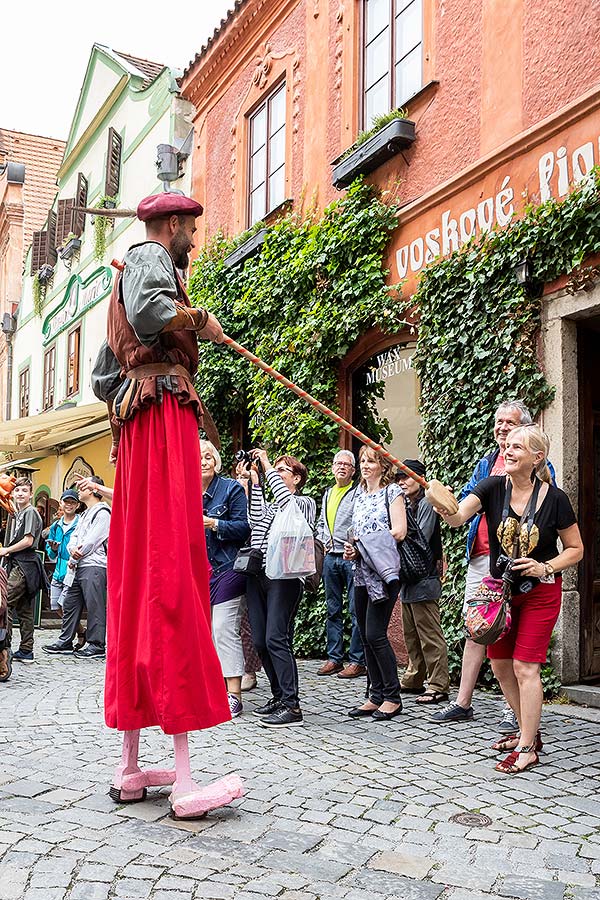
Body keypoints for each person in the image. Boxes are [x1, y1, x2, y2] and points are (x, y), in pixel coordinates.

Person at [92, 191, 242, 818]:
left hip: (137, 432)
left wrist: (141, 377)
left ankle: (131, 766)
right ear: (173, 225)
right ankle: (182, 780)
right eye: (190, 232)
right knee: (172, 575)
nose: (191, 243)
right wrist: (198, 321)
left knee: (136, 581)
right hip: (161, 428)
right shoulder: (151, 259)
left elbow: (104, 379)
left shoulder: (119, 284)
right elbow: (157, 312)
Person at [438, 425, 583, 773]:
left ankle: (528, 746)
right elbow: (458, 516)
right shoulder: (491, 488)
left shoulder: (555, 499)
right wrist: (438, 498)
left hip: (540, 592)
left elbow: (576, 550)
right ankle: (526, 729)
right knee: (500, 664)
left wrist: (544, 565)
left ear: (537, 457)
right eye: (507, 445)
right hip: (499, 592)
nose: (508, 449)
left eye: (518, 446)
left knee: (525, 666)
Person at [432, 401, 550, 729]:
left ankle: (514, 708)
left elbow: (545, 513)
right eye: (498, 422)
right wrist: (443, 503)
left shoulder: (541, 467)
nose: (501, 428)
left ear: (526, 430)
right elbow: (461, 507)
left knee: (510, 632)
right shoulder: (486, 464)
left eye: (509, 422)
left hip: (517, 563)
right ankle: (463, 702)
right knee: (478, 626)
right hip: (482, 557)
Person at [246, 449, 316, 728]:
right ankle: (277, 697)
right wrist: (254, 481)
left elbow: (286, 500)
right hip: (259, 574)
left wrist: (265, 462)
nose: (274, 473)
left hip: (285, 577)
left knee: (277, 637)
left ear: (296, 478)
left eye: (281, 470)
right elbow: (255, 519)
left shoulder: (302, 503)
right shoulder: (275, 506)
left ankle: (292, 705)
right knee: (261, 639)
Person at [344, 446, 407, 722]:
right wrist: (352, 548)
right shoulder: (359, 494)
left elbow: (399, 531)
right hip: (361, 571)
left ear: (383, 465)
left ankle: (393, 696)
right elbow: (356, 533)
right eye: (363, 461)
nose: (366, 465)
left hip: (384, 570)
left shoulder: (392, 492)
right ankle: (375, 694)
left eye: (371, 461)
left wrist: (364, 544)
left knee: (375, 633)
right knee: (364, 631)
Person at [201, 439, 250, 718]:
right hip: (196, 572)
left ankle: (234, 695)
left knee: (222, 628)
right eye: (198, 457)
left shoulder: (230, 488)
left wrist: (214, 523)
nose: (204, 461)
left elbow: (244, 528)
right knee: (203, 632)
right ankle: (211, 688)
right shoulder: (184, 490)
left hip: (227, 568)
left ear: (216, 461)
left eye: (209, 456)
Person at [396, 459, 450, 703]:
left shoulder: (427, 502)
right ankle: (414, 678)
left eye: (406, 477)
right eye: (399, 478)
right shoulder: (406, 503)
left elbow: (420, 537)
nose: (402, 481)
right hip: (407, 576)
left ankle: (438, 685)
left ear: (420, 478)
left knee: (429, 635)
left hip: (424, 576)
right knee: (411, 634)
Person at [43, 477, 111, 659]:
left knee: (95, 605)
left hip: (93, 565)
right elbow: (74, 537)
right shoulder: (85, 514)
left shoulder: (103, 512)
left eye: (82, 487)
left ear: (92, 491)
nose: (79, 490)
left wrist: (76, 552)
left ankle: (96, 644)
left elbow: (93, 540)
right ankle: (65, 640)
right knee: (70, 603)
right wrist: (72, 549)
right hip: (77, 565)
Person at [316, 450, 366, 679]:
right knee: (332, 609)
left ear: (353, 471)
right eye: (338, 463)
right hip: (330, 558)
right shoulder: (328, 493)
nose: (342, 467)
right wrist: (322, 540)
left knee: (356, 610)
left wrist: (352, 543)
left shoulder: (358, 493)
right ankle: (334, 658)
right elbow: (320, 523)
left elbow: (361, 522)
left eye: (346, 464)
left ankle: (357, 661)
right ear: (332, 467)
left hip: (350, 558)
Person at [0, 477, 44, 664]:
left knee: (5, 603)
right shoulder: (17, 513)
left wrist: (7, 550)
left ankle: (4, 649)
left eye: (24, 491)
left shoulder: (30, 512)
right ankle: (26, 650)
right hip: (21, 562)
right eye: (17, 490)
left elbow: (28, 540)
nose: (20, 494)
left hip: (25, 563)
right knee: (24, 608)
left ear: (31, 494)